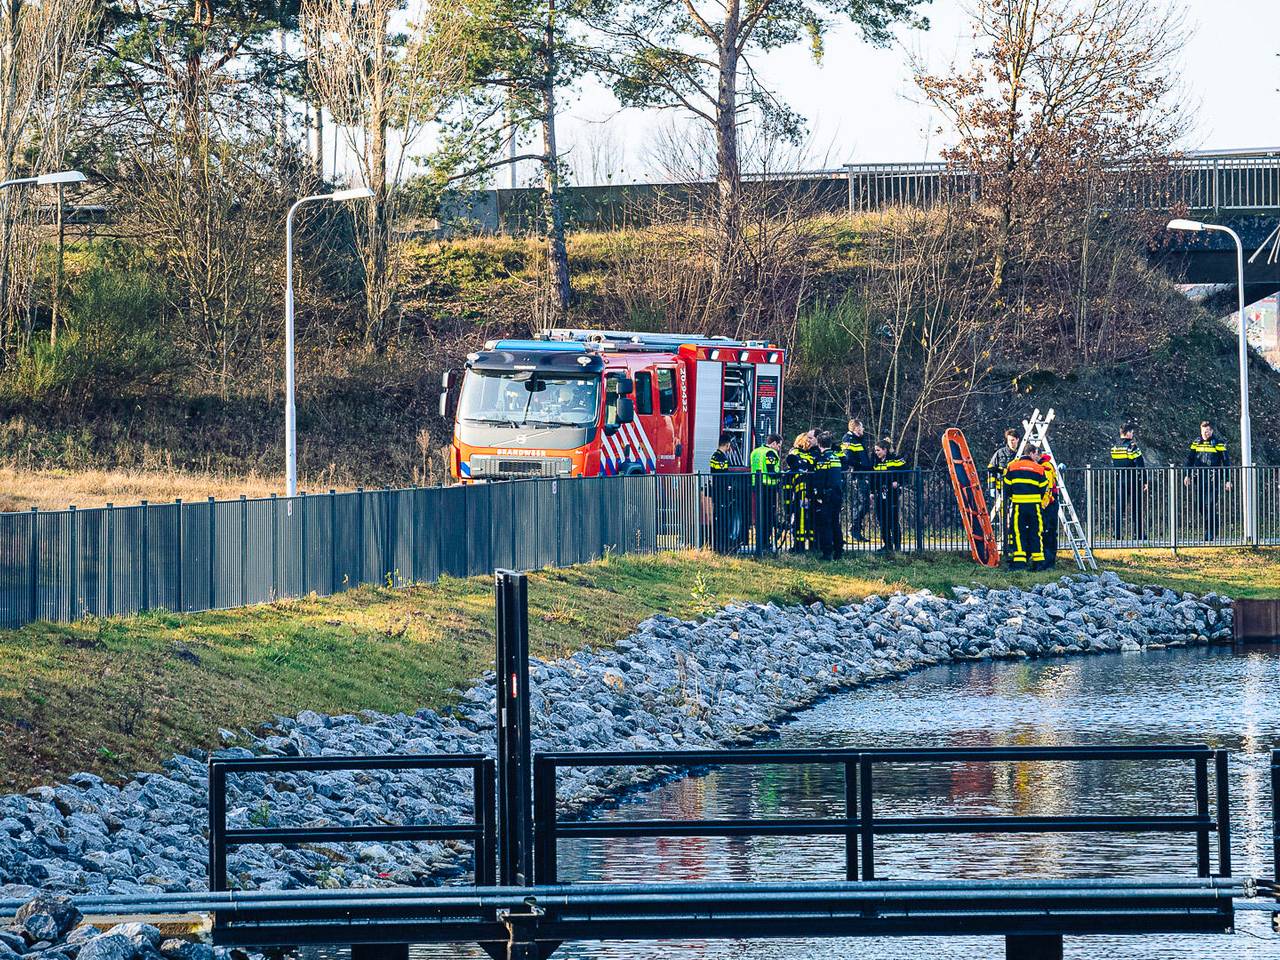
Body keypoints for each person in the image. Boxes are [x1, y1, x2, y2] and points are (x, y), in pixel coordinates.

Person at [1002, 446, 1051, 570]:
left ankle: (1019, 562)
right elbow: (1043, 487)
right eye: (1036, 454)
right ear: (1031, 453)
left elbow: (1006, 487)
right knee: (1036, 532)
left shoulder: (1012, 467)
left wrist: (1015, 495)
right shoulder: (1039, 468)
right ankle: (1038, 562)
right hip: (1035, 506)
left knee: (1018, 532)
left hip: (1019, 505)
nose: (1037, 457)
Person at [1183, 420, 1232, 542]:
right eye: (1204, 431)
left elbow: (1226, 462)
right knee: (1200, 505)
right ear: (1201, 431)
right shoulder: (1196, 442)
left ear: (1212, 431)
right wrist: (1187, 475)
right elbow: (1190, 460)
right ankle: (1211, 526)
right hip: (1199, 478)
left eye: (1208, 431)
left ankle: (1210, 531)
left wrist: (1228, 480)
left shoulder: (1218, 443)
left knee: (1210, 503)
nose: (1206, 433)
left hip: (1213, 478)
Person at [811, 431, 847, 561]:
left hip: (826, 496)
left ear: (819, 444)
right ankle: (839, 551)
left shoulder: (823, 459)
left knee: (825, 524)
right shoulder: (835, 457)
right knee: (835, 523)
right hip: (837, 494)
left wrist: (818, 495)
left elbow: (820, 479)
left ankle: (827, 553)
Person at [1110, 422, 1148, 541]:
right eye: (1131, 432)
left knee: (1119, 507)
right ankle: (1139, 534)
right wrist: (1144, 481)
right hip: (1133, 480)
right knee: (1136, 507)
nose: (1132, 434)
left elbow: (1115, 463)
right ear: (1127, 433)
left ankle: (1117, 534)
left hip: (1120, 480)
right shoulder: (1132, 447)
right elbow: (1140, 464)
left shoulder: (1115, 447)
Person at [871, 439, 908, 554]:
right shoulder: (875, 461)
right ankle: (887, 545)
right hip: (880, 494)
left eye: (878, 450)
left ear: (885, 450)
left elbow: (906, 472)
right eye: (875, 450)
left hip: (892, 494)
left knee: (893, 520)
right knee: (882, 521)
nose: (876, 452)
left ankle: (897, 546)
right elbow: (872, 477)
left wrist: (899, 482)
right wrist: (872, 491)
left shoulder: (895, 459)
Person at [840, 418, 873, 542]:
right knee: (863, 502)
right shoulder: (848, 439)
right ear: (856, 428)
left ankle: (855, 529)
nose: (863, 429)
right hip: (856, 474)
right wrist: (860, 465)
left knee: (862, 502)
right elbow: (847, 458)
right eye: (862, 427)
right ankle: (853, 528)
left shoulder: (858, 439)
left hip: (861, 474)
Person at [749, 434, 784, 550]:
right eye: (778, 446)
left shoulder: (755, 451)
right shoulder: (770, 453)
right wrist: (782, 474)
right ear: (773, 443)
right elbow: (771, 472)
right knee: (768, 516)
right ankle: (765, 542)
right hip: (768, 487)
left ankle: (760, 541)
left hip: (756, 486)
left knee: (760, 516)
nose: (778, 448)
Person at [707, 432, 740, 553]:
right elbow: (723, 475)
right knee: (723, 520)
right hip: (721, 492)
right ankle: (722, 546)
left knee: (719, 519)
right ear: (727, 444)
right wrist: (729, 486)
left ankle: (719, 545)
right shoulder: (721, 457)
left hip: (717, 491)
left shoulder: (715, 455)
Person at [784, 433, 817, 552]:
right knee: (800, 519)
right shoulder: (795, 453)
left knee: (812, 519)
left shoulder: (812, 453)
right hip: (800, 491)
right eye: (808, 439)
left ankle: (814, 546)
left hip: (812, 490)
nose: (811, 441)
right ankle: (799, 546)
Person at [1036, 449, 1059, 568]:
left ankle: (1048, 562)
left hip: (1049, 504)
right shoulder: (1043, 465)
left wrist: (1042, 506)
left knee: (1048, 532)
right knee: (1046, 532)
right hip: (1048, 503)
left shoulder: (1046, 467)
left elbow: (1047, 489)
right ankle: (1046, 561)